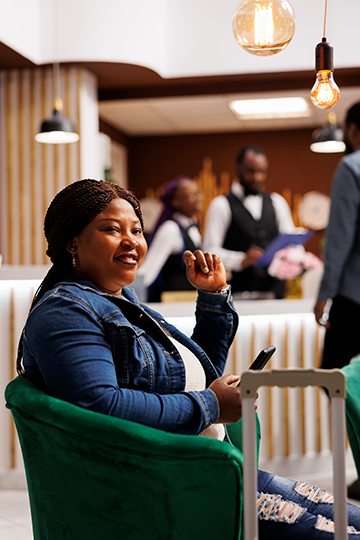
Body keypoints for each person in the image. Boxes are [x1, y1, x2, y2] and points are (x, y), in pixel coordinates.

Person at [17, 179, 360, 539]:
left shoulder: (122, 301)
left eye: (136, 229)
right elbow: (101, 403)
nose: (132, 240)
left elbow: (194, 370)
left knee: (351, 519)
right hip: (169, 490)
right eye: (112, 229)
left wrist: (213, 299)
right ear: (72, 241)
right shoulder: (66, 311)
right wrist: (211, 405)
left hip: (207, 470)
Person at [203, 145, 295, 298]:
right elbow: (210, 250)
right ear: (237, 169)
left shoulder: (277, 202)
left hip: (276, 292)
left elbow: (291, 242)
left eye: (261, 171)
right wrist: (242, 260)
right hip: (239, 293)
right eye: (251, 171)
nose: (257, 177)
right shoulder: (221, 204)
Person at [314, 101, 360, 372]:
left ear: (352, 130)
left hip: (354, 297)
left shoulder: (351, 167)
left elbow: (340, 239)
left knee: (333, 377)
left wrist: (324, 294)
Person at [138, 175, 202, 301]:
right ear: (175, 201)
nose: (198, 198)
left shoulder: (193, 228)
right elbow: (148, 272)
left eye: (198, 193)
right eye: (191, 195)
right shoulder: (170, 229)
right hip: (172, 304)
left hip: (189, 302)